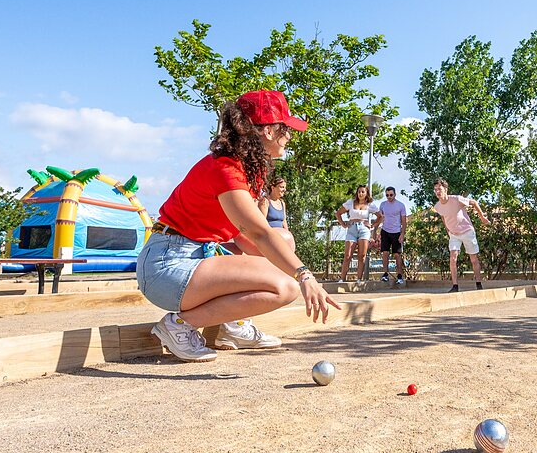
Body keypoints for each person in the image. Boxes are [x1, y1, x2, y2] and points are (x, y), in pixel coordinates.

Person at [136, 90, 340, 362]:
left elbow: (242, 239)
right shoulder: (226, 168)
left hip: (198, 255)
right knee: (285, 286)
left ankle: (232, 326)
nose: (290, 135)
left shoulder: (248, 168)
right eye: (286, 128)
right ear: (268, 131)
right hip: (167, 266)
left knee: (284, 241)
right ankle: (178, 325)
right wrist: (305, 276)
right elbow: (256, 232)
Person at [430, 178, 490, 292]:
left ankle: (478, 284)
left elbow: (474, 203)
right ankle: (455, 286)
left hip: (467, 231)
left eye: (440, 189)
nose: (437, 191)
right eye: (435, 189)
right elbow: (443, 217)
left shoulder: (457, 199)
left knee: (473, 259)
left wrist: (482, 217)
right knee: (453, 258)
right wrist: (448, 230)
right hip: (454, 235)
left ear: (445, 189)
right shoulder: (437, 206)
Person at [337, 185, 379, 282]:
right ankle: (342, 279)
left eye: (363, 192)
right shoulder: (350, 203)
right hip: (352, 229)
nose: (360, 194)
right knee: (347, 255)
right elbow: (338, 213)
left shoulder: (370, 205)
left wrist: (373, 225)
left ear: (366, 193)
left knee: (362, 255)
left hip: (364, 229)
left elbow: (380, 216)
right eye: (359, 192)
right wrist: (343, 224)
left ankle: (359, 279)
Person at [376, 186, 408, 285]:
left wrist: (402, 234)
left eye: (391, 195)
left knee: (397, 254)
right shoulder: (383, 205)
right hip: (385, 231)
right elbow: (379, 219)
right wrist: (374, 232)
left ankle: (399, 276)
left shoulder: (400, 205)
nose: (389, 197)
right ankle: (385, 274)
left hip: (396, 232)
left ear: (395, 194)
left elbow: (404, 221)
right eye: (387, 195)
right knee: (385, 253)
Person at [257, 176, 295, 254]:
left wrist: (289, 236)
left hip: (282, 238)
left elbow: (284, 221)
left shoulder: (282, 203)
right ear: (273, 187)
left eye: (285, 187)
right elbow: (262, 222)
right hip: (270, 239)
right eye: (281, 187)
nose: (284, 190)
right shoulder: (265, 201)